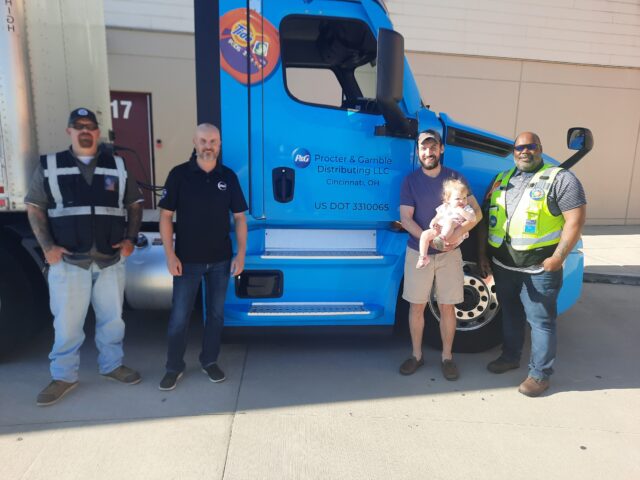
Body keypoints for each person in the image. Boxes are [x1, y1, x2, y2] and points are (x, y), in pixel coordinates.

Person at [25, 108, 144, 407]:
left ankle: (112, 365)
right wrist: (48, 247)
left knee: (112, 321)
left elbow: (135, 204)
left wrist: (130, 240)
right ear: (69, 131)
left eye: (90, 126)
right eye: (78, 126)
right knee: (66, 324)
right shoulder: (51, 166)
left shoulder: (116, 165)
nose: (85, 131)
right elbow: (35, 207)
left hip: (109, 259)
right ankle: (63, 376)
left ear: (97, 130)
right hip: (68, 261)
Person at [478, 131, 586, 397]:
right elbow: (485, 219)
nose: (525, 152)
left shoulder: (561, 179)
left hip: (540, 268)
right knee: (511, 314)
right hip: (504, 266)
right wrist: (483, 256)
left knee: (541, 321)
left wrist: (558, 257)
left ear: (540, 148)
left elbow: (575, 221)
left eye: (531, 147)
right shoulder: (501, 179)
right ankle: (510, 357)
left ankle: (540, 375)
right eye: (519, 148)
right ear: (513, 152)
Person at [158, 123, 247, 391]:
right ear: (195, 143)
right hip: (187, 261)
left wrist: (240, 254)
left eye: (214, 141)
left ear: (219, 144)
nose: (209, 146)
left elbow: (240, 218)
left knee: (216, 316)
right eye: (204, 141)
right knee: (179, 318)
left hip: (220, 261)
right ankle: (174, 367)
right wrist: (170, 254)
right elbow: (165, 216)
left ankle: (209, 361)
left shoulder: (228, 177)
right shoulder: (179, 175)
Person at [399, 130, 482, 380]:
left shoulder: (456, 178)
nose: (428, 152)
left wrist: (456, 237)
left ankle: (447, 357)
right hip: (419, 251)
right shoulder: (410, 181)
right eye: (423, 148)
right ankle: (416, 355)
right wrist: (430, 238)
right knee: (417, 307)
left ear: (441, 149)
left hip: (450, 255)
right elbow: (405, 219)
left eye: (433, 147)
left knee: (448, 307)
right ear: (418, 152)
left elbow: (475, 214)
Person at [416, 178, 476, 268]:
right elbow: (437, 217)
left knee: (449, 221)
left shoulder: (466, 209)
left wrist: (461, 211)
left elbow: (473, 219)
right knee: (424, 234)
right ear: (448, 199)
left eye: (464, 198)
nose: (462, 201)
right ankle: (423, 257)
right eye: (458, 198)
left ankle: (441, 238)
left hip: (455, 232)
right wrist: (433, 223)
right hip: (440, 230)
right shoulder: (444, 207)